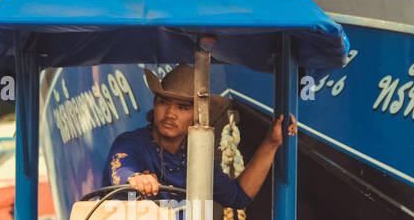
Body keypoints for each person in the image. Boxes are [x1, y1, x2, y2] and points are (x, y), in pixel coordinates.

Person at [101, 64, 296, 205]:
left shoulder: (197, 159)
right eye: (163, 102)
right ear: (154, 104)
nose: (170, 113)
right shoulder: (131, 143)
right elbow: (122, 170)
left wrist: (272, 143)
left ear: (198, 116)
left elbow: (238, 197)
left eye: (182, 107)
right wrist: (136, 178)